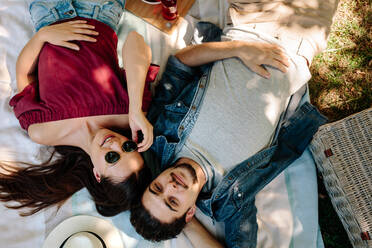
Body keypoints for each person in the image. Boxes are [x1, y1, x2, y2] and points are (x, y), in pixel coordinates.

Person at [129, 22, 328, 247]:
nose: (170, 186)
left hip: (248, 22)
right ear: (189, 213)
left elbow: (180, 63)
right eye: (173, 201)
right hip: (297, 46)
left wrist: (238, 48)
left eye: (157, 188)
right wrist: (187, 224)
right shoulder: (231, 202)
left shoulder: (159, 134)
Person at [0, 0, 156, 216]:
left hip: (47, 11)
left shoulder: (42, 131)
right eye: (128, 148)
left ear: (97, 174)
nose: (115, 145)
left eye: (112, 158)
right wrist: (136, 108)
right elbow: (135, 42)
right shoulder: (129, 114)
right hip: (100, 9)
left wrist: (43, 35)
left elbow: (25, 75)